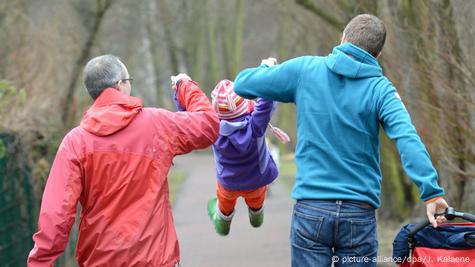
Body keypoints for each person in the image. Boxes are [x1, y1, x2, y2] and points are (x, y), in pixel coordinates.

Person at [233, 14, 449, 266]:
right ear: (377, 54)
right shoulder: (381, 90)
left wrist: (267, 69)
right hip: (358, 214)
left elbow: (242, 84)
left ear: (343, 38)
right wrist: (432, 194)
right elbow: (407, 138)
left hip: (311, 209)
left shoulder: (304, 70)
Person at [27, 55, 219, 266]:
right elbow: (208, 125)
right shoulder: (156, 124)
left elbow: (56, 215)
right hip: (155, 259)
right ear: (120, 85)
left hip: (100, 260)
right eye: (129, 80)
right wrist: (185, 86)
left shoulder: (75, 142)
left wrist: (40, 262)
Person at [206, 79, 289, 236]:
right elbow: (266, 102)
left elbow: (190, 115)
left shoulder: (212, 129)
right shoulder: (256, 124)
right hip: (256, 182)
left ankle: (222, 223)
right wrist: (267, 69)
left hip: (228, 184)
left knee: (224, 203)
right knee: (256, 200)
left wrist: (181, 89)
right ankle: (256, 216)